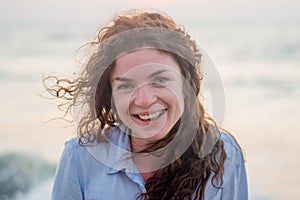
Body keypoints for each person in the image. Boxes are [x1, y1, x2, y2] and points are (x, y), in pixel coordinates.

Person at [49, 10, 248, 200]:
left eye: (160, 80)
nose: (144, 100)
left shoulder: (224, 154)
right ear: (110, 95)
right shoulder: (79, 159)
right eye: (126, 85)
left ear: (186, 84)